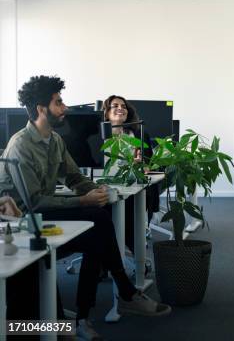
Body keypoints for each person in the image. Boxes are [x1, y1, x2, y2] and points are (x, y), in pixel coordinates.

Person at [0, 76, 171, 341]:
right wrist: (82, 201)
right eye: (58, 103)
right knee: (97, 219)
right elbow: (32, 202)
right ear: (41, 109)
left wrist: (93, 190)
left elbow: (73, 177)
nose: (65, 107)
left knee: (96, 232)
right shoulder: (21, 146)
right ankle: (122, 295)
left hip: (42, 214)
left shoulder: (54, 139)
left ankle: (82, 319)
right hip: (28, 220)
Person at [102, 94, 161, 255]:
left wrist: (140, 165)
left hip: (130, 187)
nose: (121, 108)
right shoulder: (98, 136)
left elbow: (148, 166)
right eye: (115, 106)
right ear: (106, 112)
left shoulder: (136, 134)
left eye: (124, 106)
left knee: (129, 216)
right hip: (104, 187)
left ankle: (132, 257)